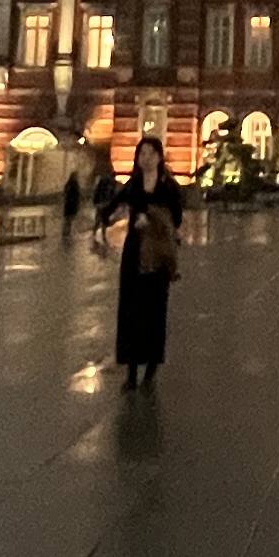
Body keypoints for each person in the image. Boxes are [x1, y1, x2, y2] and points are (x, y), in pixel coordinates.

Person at [107, 137, 183, 388]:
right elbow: (112, 206)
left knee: (154, 311)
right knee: (130, 310)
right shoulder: (133, 184)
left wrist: (154, 219)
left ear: (159, 157)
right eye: (142, 153)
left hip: (158, 254)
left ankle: (151, 366)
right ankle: (131, 371)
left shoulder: (168, 186)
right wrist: (107, 217)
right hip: (134, 252)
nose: (146, 158)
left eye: (150, 153)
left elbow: (177, 217)